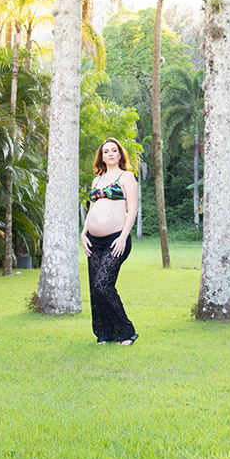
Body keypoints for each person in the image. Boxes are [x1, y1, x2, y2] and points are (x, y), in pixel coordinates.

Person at [80, 137, 139, 346]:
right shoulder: (97, 181)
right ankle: (103, 334)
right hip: (93, 242)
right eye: (106, 151)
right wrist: (84, 233)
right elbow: (92, 209)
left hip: (116, 240)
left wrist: (123, 237)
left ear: (120, 154)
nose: (111, 154)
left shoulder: (126, 177)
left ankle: (127, 332)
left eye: (114, 150)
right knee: (95, 289)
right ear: (102, 157)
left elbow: (132, 209)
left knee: (103, 284)